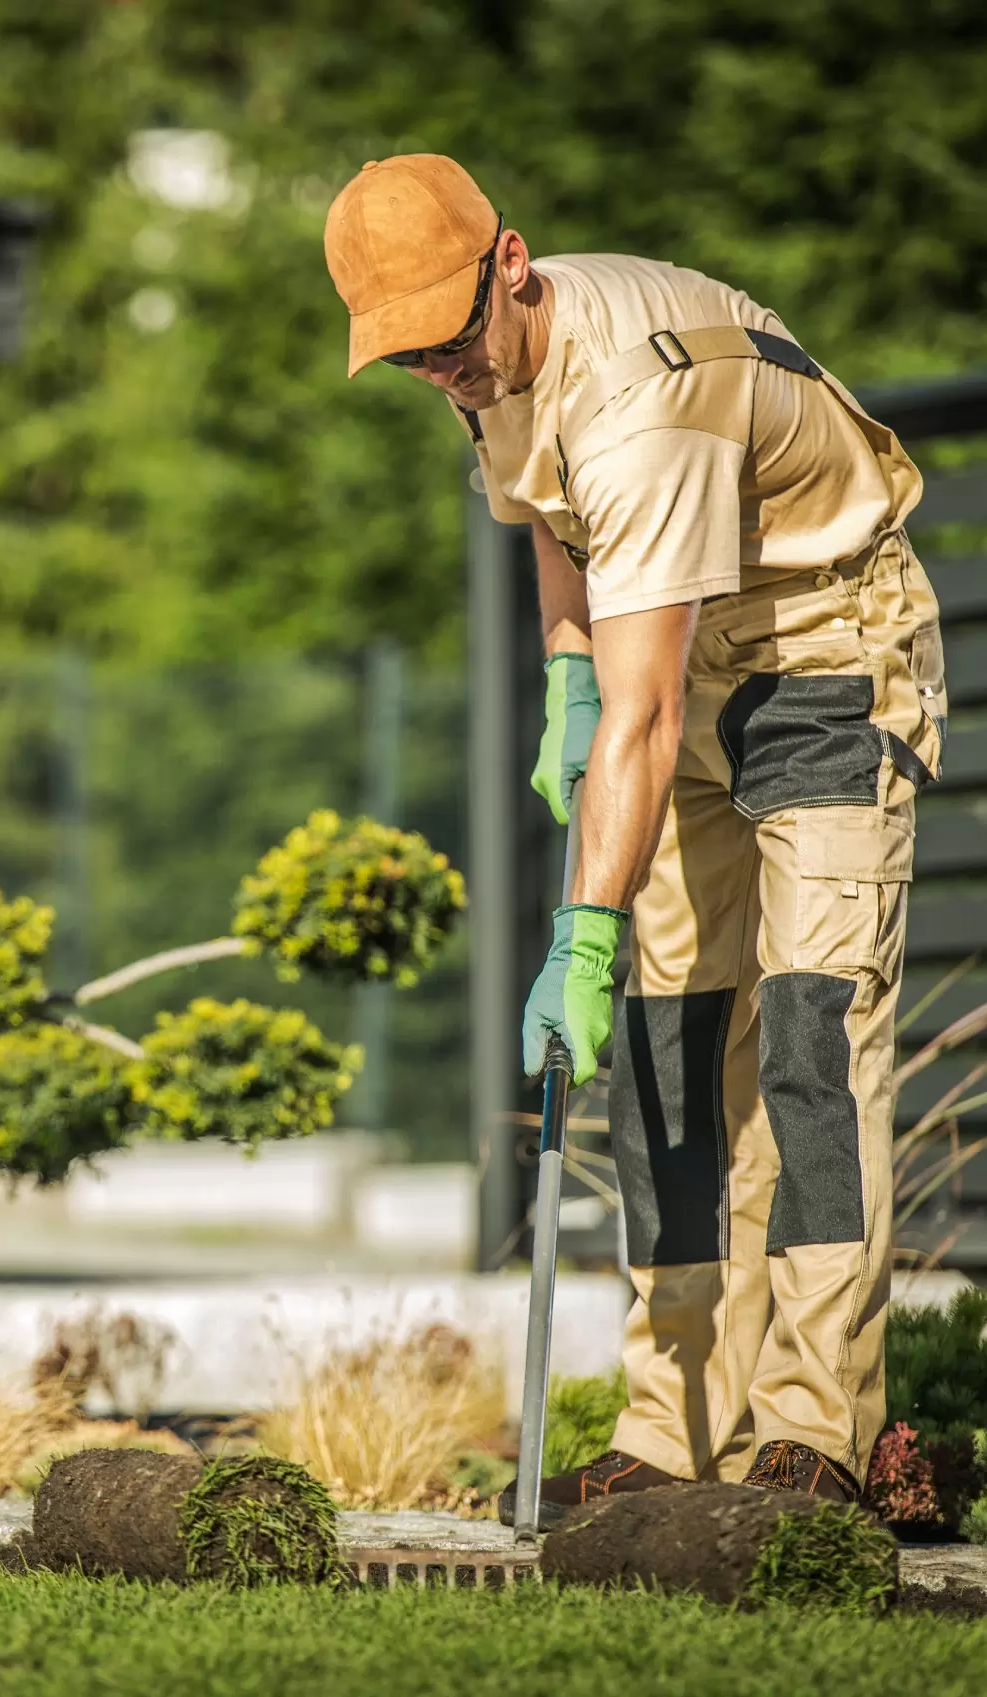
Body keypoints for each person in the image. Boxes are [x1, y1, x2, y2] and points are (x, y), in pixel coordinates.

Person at [323, 154, 947, 1526]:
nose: (444, 373)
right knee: (668, 1048)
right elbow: (557, 525)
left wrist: (584, 933)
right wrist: (565, 680)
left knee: (807, 1035)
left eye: (450, 339)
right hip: (681, 654)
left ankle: (815, 1430)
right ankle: (674, 1431)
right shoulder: (490, 366)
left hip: (825, 655)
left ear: (512, 264)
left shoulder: (642, 403)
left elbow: (650, 713)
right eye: (411, 357)